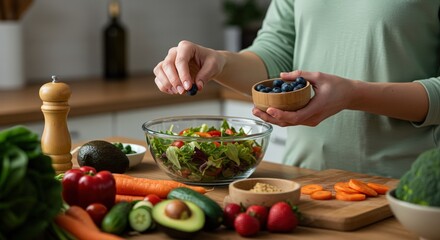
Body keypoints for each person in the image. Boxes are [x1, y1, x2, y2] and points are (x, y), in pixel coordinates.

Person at [153, 1, 440, 178]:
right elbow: (274, 56)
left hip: (406, 188)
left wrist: (354, 94)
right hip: (306, 180)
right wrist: (220, 62)